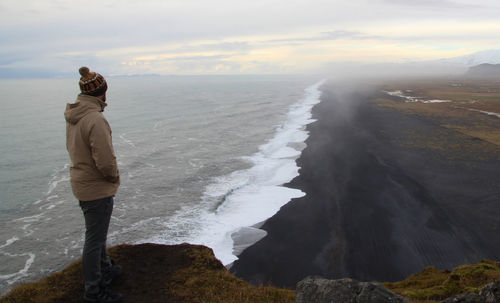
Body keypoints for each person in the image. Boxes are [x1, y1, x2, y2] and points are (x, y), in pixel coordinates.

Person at [64, 67, 123, 303]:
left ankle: (105, 269)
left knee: (97, 235)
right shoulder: (95, 119)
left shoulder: (75, 115)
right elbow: (105, 161)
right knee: (95, 239)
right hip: (95, 187)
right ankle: (94, 291)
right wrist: (113, 177)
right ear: (103, 92)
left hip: (81, 181)